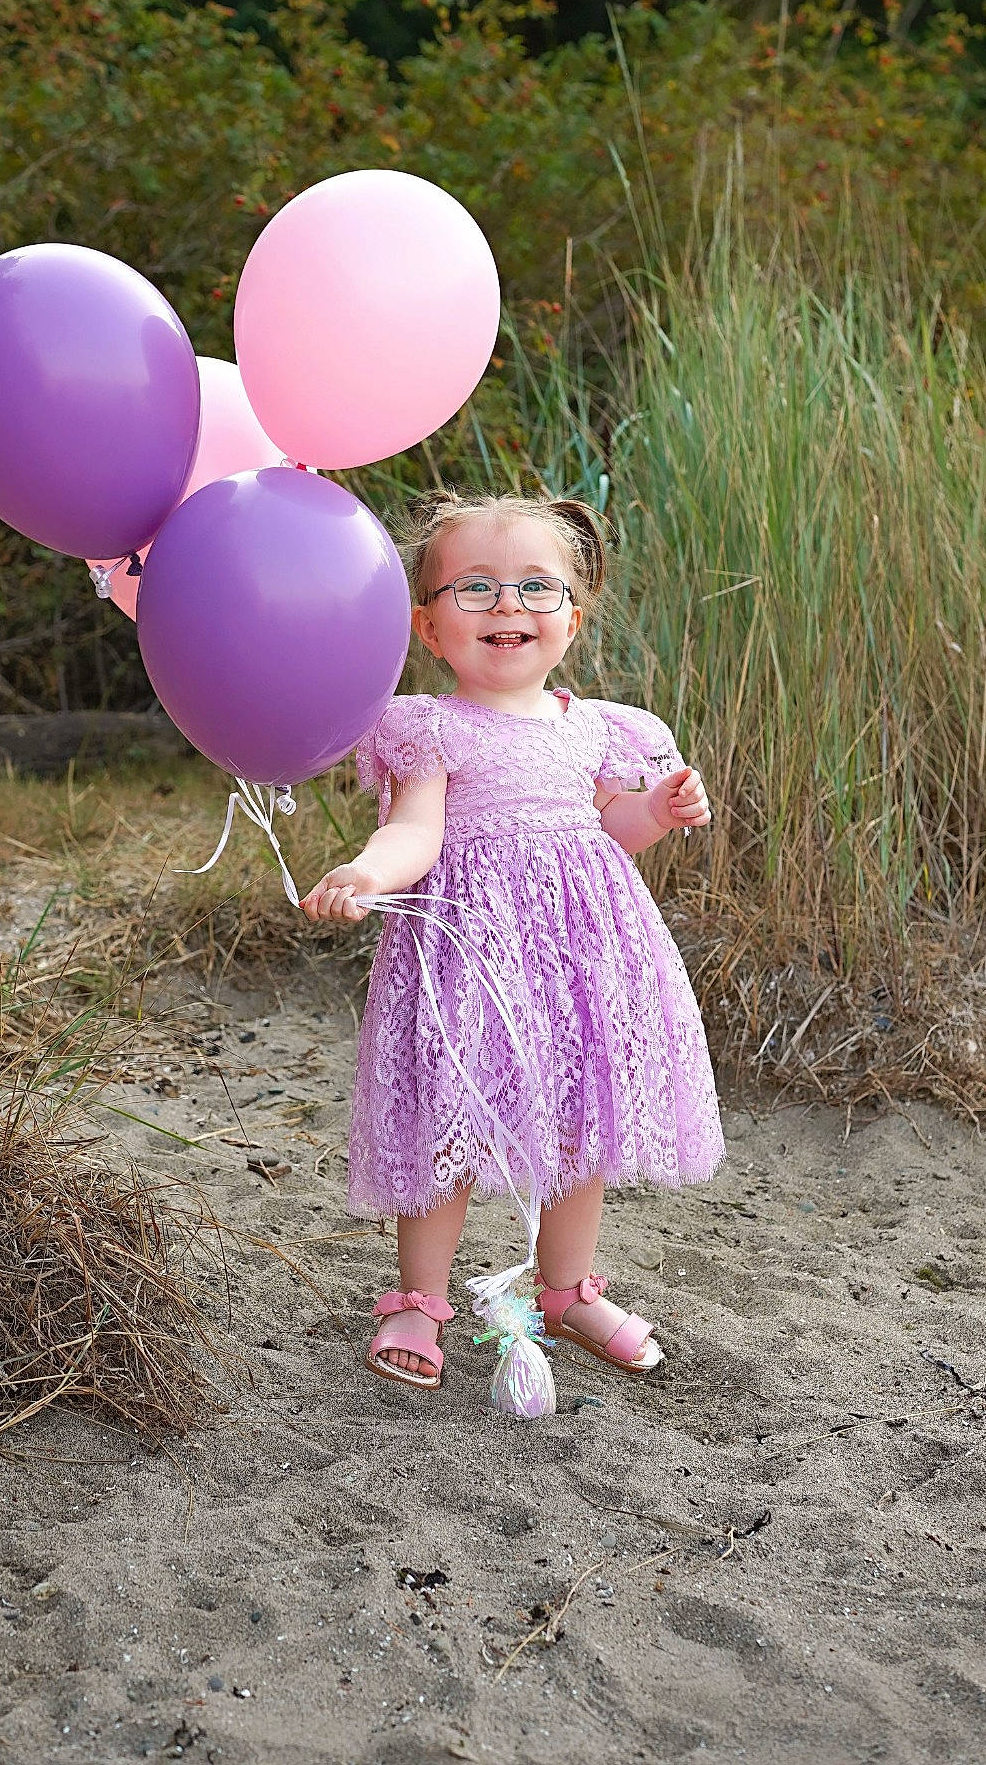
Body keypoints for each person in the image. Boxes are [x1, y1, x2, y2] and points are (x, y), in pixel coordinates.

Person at [301, 491, 723, 1390]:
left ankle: (566, 1288)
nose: (508, 607)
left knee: (578, 1119)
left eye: (538, 589)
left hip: (581, 958)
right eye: (478, 587)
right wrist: (369, 875)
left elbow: (612, 830)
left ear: (572, 617)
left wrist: (658, 808)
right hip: (470, 959)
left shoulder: (598, 728)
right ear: (426, 623)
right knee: (446, 1119)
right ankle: (419, 1299)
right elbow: (414, 831)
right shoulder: (431, 729)